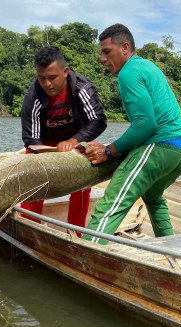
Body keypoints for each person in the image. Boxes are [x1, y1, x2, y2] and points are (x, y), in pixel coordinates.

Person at [82, 23, 181, 244]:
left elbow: (145, 124)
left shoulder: (128, 73)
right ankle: (172, 252)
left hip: (160, 146)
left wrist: (108, 150)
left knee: (111, 204)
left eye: (107, 52)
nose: (102, 59)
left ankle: (87, 252)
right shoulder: (147, 67)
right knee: (153, 197)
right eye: (101, 53)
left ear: (124, 48)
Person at [20, 45, 107, 232]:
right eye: (41, 78)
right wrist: (47, 159)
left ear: (65, 71)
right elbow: (31, 139)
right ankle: (29, 226)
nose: (47, 84)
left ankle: (75, 232)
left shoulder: (82, 87)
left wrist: (74, 141)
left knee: (83, 181)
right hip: (45, 144)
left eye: (52, 77)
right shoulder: (33, 96)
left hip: (76, 140)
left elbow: (98, 121)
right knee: (34, 179)